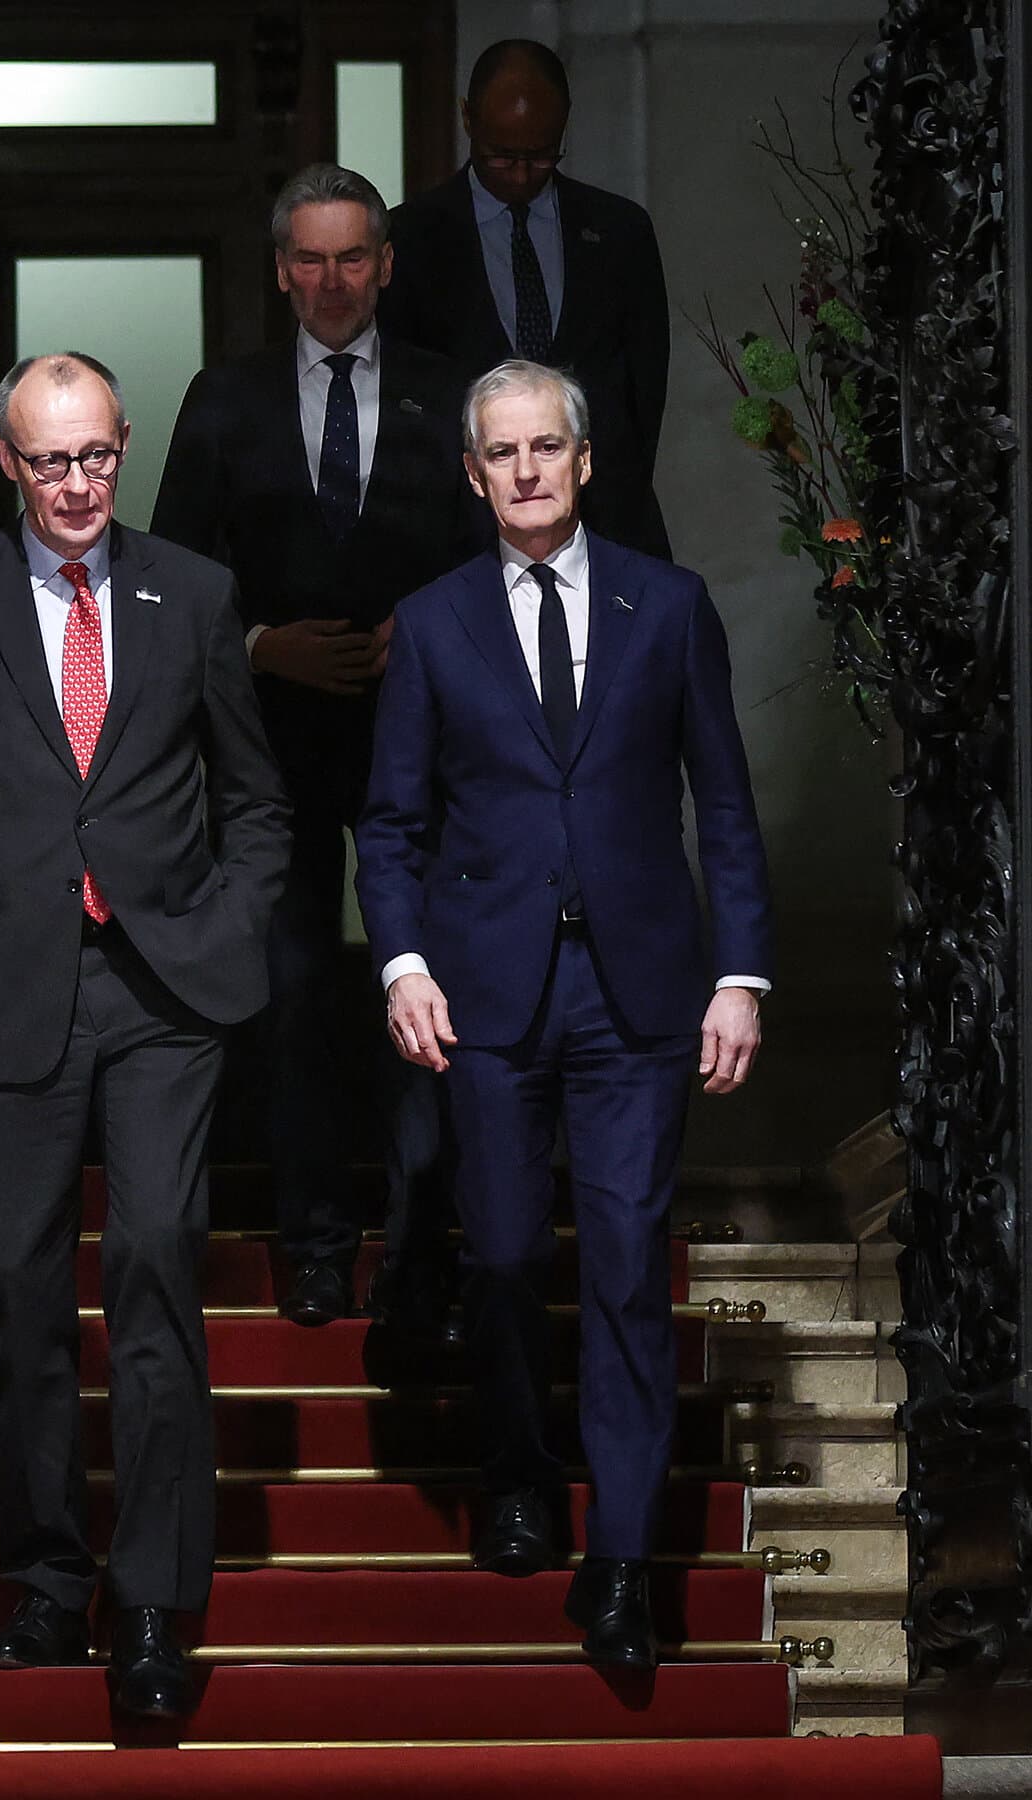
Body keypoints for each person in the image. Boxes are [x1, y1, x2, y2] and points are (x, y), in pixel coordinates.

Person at [0, 354, 289, 1718]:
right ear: (5, 463)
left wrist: (236, 919)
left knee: (154, 1266)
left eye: (98, 457)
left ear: (126, 448)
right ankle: (45, 1575)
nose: (80, 486)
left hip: (165, 994)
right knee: (21, 1291)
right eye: (51, 462)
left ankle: (153, 1603)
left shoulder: (193, 593)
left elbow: (259, 800)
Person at [354, 360, 772, 1668]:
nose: (529, 469)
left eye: (551, 447)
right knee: (499, 1256)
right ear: (474, 474)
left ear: (584, 462)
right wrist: (402, 963)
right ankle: (523, 1476)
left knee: (632, 1269)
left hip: (641, 992)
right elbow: (392, 822)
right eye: (505, 452)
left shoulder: (671, 608)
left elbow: (729, 807)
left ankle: (627, 1562)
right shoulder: (430, 623)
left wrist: (741, 976)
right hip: (483, 992)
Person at [152, 163, 471, 1331]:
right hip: (269, 749)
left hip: (418, 748)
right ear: (280, 269)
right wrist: (258, 648)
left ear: (384, 265)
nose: (332, 281)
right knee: (289, 1010)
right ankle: (318, 1249)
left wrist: (425, 635)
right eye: (310, 259)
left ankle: (420, 1247)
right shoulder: (224, 399)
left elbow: (501, 564)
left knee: (426, 1001)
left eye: (353, 258)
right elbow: (170, 587)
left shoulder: (451, 394)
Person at [378, 39, 672, 560]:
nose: (519, 173)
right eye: (501, 155)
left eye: (540, 156)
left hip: (607, 531)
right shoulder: (410, 238)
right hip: (456, 544)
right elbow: (402, 403)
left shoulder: (620, 233)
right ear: (467, 119)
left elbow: (642, 396)